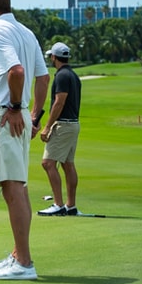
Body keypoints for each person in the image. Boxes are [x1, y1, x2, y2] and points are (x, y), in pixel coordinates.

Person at [0, 0, 50, 281]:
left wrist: (16, 106)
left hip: (5, 115)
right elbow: (43, 77)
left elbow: (17, 71)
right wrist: (34, 115)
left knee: (12, 189)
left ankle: (24, 263)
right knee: (18, 187)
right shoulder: (26, 32)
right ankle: (19, 255)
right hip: (18, 115)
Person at [38, 42, 82, 216]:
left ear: (54, 57)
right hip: (72, 124)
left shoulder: (62, 76)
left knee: (48, 163)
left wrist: (47, 126)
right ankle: (70, 206)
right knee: (67, 164)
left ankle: (58, 205)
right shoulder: (73, 75)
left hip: (63, 125)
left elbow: (59, 102)